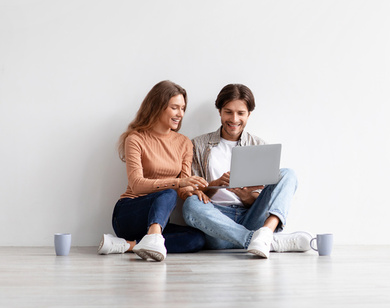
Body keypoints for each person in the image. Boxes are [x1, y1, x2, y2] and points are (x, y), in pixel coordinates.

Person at [182, 83, 311, 258]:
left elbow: (262, 200)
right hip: (218, 225)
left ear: (249, 114)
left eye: (241, 113)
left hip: (251, 216)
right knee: (190, 204)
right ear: (219, 111)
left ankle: (266, 232)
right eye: (228, 111)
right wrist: (213, 185)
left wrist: (245, 196)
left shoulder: (258, 145)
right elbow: (195, 192)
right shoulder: (198, 145)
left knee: (288, 174)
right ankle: (267, 241)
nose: (234, 119)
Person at [98, 80, 208, 261]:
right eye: (174, 108)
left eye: (183, 108)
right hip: (129, 213)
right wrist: (179, 182)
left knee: (197, 239)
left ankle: (128, 245)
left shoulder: (184, 143)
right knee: (168, 193)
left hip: (158, 220)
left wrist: (197, 189)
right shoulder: (136, 139)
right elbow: (137, 185)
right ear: (158, 106)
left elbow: (182, 189)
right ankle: (153, 237)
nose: (180, 114)